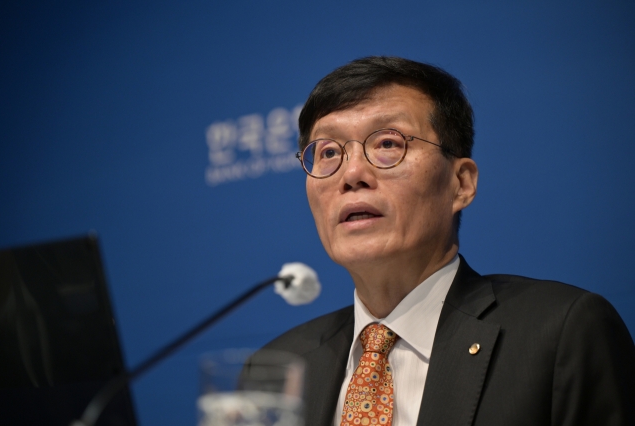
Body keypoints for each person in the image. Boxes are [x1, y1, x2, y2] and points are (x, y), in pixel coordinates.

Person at [248, 56, 635, 426]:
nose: (352, 174)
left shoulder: (559, 332)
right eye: (329, 152)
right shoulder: (277, 368)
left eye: (387, 143)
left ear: (461, 183)